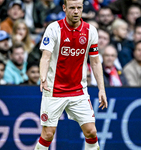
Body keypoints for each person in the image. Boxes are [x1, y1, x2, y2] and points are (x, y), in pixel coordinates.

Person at [34, 0, 108, 149]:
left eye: (79, 8)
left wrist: (101, 89)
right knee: (48, 134)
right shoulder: (54, 28)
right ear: (64, 8)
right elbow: (46, 57)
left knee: (91, 132)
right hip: (54, 90)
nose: (76, 11)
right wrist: (43, 78)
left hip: (78, 91)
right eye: (72, 8)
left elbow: (95, 62)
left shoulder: (90, 31)